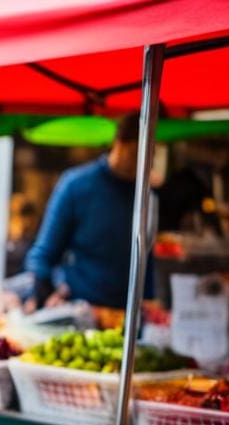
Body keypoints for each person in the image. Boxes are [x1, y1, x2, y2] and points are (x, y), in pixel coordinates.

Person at [25, 113, 155, 309]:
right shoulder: (76, 185)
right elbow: (42, 255)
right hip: (81, 310)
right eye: (135, 154)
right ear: (118, 143)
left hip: (127, 315)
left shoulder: (146, 195)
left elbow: (146, 256)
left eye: (148, 158)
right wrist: (47, 293)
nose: (140, 165)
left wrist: (150, 300)